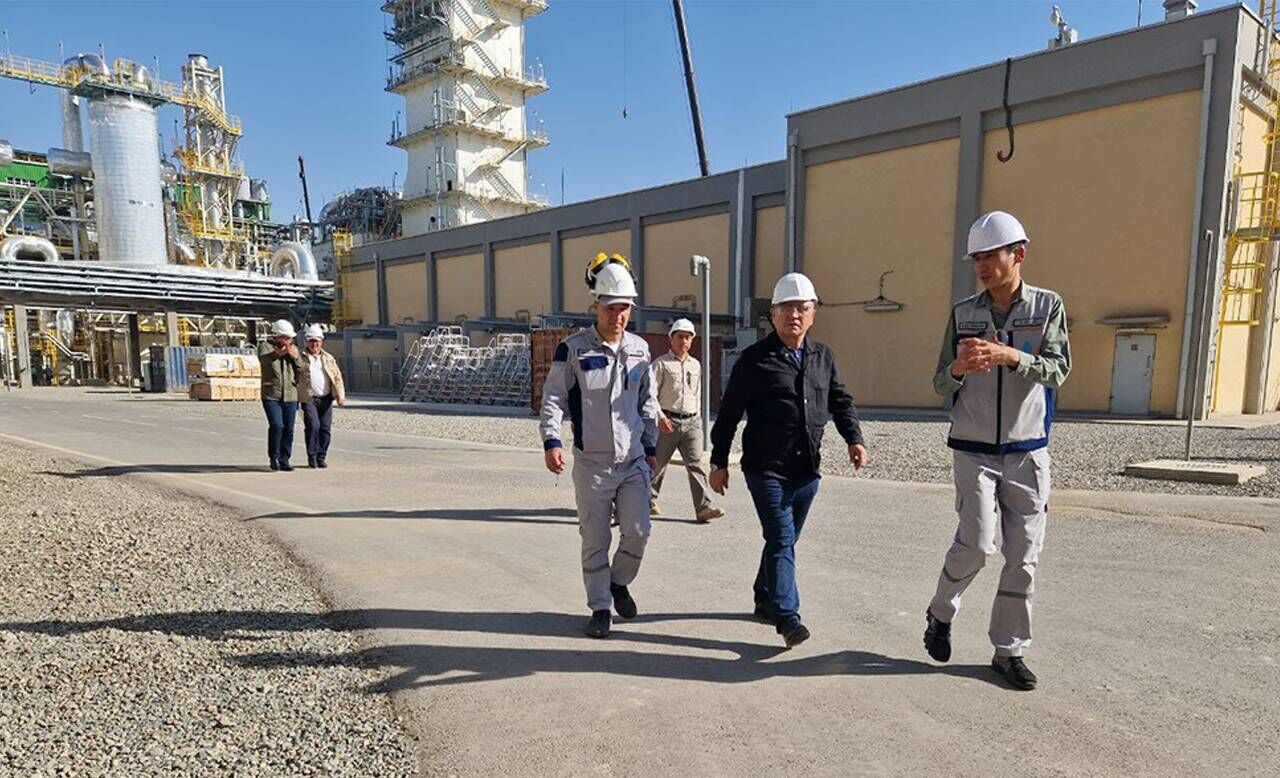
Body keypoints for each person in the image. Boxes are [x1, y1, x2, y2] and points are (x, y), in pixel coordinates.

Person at [922, 211, 1071, 692]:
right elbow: (940, 381)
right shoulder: (963, 313)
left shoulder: (1047, 307)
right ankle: (941, 612)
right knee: (978, 543)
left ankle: (1009, 651)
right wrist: (959, 369)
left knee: (1023, 556)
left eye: (991, 256)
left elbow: (1058, 369)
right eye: (977, 258)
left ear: (1018, 254)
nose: (983, 266)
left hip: (1028, 451)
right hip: (974, 450)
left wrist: (1013, 356)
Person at [709, 272, 869, 648]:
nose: (794, 315)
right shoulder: (754, 360)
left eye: (801, 308)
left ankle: (764, 595)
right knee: (782, 539)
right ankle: (788, 617)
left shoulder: (823, 357)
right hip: (766, 469)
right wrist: (718, 462)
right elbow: (729, 414)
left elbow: (841, 401)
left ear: (813, 313)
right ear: (773, 314)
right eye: (786, 308)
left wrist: (854, 439)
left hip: (807, 471)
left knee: (783, 539)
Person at [540, 253, 659, 639]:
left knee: (638, 530)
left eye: (624, 308)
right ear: (596, 305)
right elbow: (554, 397)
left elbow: (648, 402)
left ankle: (618, 581)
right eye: (610, 308)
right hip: (592, 463)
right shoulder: (573, 349)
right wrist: (552, 440)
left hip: (633, 460)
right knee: (595, 539)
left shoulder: (640, 349)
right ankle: (600, 608)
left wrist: (651, 447)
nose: (617, 315)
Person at [649, 318, 724, 523]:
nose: (684, 341)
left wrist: (697, 418)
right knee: (658, 465)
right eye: (680, 337)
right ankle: (647, 500)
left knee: (696, 465)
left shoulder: (696, 365)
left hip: (691, 423)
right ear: (671, 339)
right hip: (667, 422)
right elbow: (649, 394)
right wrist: (660, 417)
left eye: (688, 337)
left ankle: (704, 508)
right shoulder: (661, 365)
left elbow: (697, 393)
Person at [258, 319, 305, 472]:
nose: (289, 341)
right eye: (286, 338)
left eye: (290, 338)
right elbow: (265, 360)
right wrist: (281, 353)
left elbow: (302, 368)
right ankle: (274, 456)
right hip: (271, 395)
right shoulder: (265, 347)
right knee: (277, 426)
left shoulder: (293, 349)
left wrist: (295, 357)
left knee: (289, 429)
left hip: (290, 395)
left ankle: (285, 459)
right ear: (278, 336)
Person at [299, 324, 346, 469]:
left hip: (326, 398)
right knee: (313, 426)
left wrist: (340, 395)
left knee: (325, 428)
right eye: (312, 341)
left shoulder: (328, 358)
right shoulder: (301, 358)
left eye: (317, 341)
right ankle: (312, 456)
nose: (314, 344)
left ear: (322, 342)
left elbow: (337, 377)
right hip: (309, 398)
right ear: (307, 341)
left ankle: (321, 456)